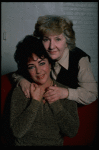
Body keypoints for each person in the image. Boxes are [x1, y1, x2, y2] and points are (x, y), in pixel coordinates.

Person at [12, 15, 98, 105]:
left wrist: (65, 93)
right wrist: (22, 81)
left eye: (58, 39)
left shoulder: (80, 59)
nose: (51, 46)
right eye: (46, 39)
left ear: (67, 42)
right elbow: (17, 74)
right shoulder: (43, 55)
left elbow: (92, 94)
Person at [10, 35, 79, 146]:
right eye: (31, 66)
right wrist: (35, 102)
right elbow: (17, 132)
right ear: (26, 69)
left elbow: (72, 132)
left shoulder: (65, 91)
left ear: (50, 63)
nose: (38, 71)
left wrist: (55, 103)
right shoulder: (21, 91)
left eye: (42, 63)